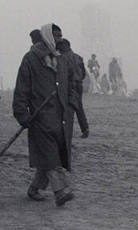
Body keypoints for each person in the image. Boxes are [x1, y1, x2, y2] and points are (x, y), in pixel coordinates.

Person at [13, 23, 76, 206]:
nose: (60, 40)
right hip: (40, 118)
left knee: (49, 156)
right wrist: (22, 115)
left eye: (61, 36)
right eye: (56, 36)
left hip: (60, 118)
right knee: (50, 156)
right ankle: (60, 191)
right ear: (48, 37)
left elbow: (71, 84)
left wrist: (70, 104)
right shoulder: (31, 59)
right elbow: (21, 90)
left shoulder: (61, 60)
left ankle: (34, 189)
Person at [56, 38, 89, 138]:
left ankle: (65, 131)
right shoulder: (78, 57)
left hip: (69, 85)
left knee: (66, 108)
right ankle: (85, 128)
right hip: (79, 85)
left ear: (64, 46)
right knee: (79, 107)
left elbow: (63, 74)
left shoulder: (62, 58)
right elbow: (83, 74)